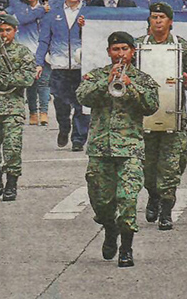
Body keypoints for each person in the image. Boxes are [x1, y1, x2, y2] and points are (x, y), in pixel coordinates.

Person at [76, 31, 159, 267]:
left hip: (130, 149)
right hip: (100, 149)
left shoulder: (143, 79)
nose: (120, 54)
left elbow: (151, 106)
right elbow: (82, 96)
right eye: (115, 49)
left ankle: (126, 248)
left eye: (124, 49)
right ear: (108, 52)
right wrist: (106, 81)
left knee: (128, 198)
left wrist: (131, 87)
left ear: (132, 52)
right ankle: (109, 228)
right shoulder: (97, 75)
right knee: (101, 203)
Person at [136, 3, 187, 231]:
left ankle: (166, 209)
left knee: (172, 167)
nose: (157, 21)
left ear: (170, 21)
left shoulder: (181, 47)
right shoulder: (138, 46)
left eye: (162, 17)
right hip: (145, 118)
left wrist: (186, 77)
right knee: (147, 166)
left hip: (174, 117)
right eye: (154, 17)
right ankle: (153, 195)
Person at [0, 14, 36, 201]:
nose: (4, 34)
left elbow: (28, 78)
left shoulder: (23, 53)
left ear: (15, 31)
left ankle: (12, 183)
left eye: (8, 30)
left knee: (12, 147)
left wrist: (0, 81)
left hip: (13, 108)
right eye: (1, 30)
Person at [36, 0, 88, 151]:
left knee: (82, 104)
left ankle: (79, 139)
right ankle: (64, 128)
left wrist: (85, 27)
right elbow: (44, 40)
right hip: (59, 67)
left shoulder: (89, 12)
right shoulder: (53, 13)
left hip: (82, 67)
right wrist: (39, 63)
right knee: (61, 103)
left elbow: (96, 37)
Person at [10, 0, 51, 125]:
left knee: (44, 82)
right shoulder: (21, 8)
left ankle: (44, 112)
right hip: (26, 51)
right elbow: (24, 19)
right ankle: (33, 113)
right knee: (30, 84)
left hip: (44, 50)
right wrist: (41, 11)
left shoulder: (47, 8)